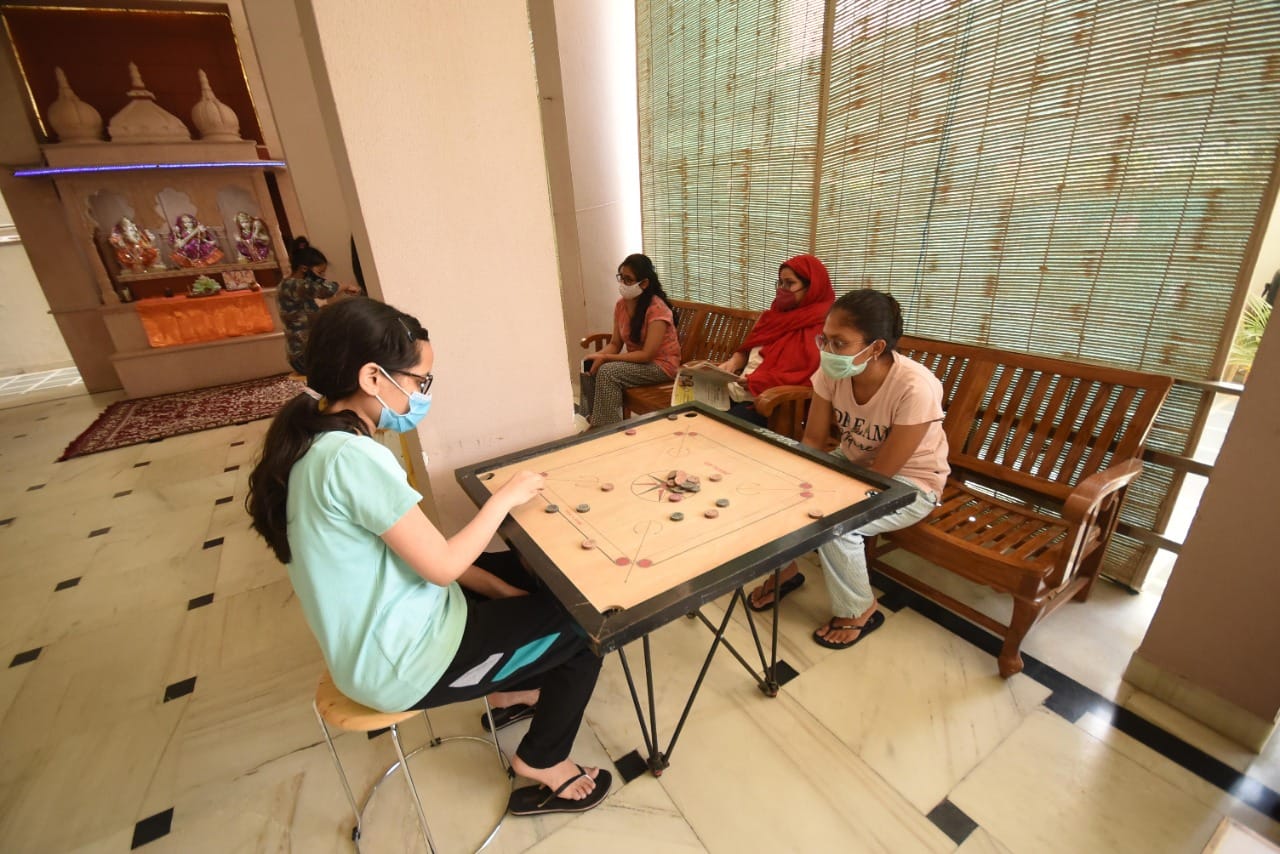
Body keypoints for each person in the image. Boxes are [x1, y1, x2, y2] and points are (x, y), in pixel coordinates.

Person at [246, 297, 611, 814]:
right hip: (402, 664)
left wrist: (502, 589)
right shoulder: (352, 458)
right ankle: (542, 760)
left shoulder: (319, 438)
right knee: (589, 625)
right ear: (374, 378)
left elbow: (417, 558)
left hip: (394, 623)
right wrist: (506, 496)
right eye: (419, 381)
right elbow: (440, 564)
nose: (422, 395)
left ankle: (509, 693)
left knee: (537, 576)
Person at [746, 289, 949, 649]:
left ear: (875, 347)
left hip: (911, 482)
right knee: (782, 489)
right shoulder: (832, 372)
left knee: (836, 525)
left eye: (839, 343)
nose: (827, 350)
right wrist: (798, 482)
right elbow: (812, 440)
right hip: (853, 462)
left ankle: (861, 608)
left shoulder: (915, 388)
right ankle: (787, 570)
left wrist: (825, 499)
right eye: (825, 339)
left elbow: (882, 474)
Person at [717, 254, 836, 427]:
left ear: (811, 287)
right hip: (738, 391)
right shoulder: (771, 317)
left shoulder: (825, 326)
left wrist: (759, 382)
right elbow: (749, 349)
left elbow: (809, 377)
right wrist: (733, 362)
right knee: (689, 408)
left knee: (716, 427)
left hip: (774, 406)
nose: (782, 289)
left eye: (790, 283)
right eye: (780, 282)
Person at [579, 253, 681, 428]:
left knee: (608, 371)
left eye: (628, 279)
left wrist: (607, 358)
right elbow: (615, 344)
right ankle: (591, 418)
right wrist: (598, 355)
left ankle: (607, 429)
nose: (623, 284)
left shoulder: (657, 309)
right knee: (588, 365)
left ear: (644, 283)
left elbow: (647, 355)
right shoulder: (621, 305)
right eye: (621, 278)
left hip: (662, 366)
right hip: (639, 363)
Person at [278, 237, 361, 373]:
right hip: (304, 356)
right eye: (320, 273)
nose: (322, 277)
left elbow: (314, 312)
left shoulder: (296, 288)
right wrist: (346, 286)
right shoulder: (292, 285)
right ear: (304, 268)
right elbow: (324, 290)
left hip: (310, 353)